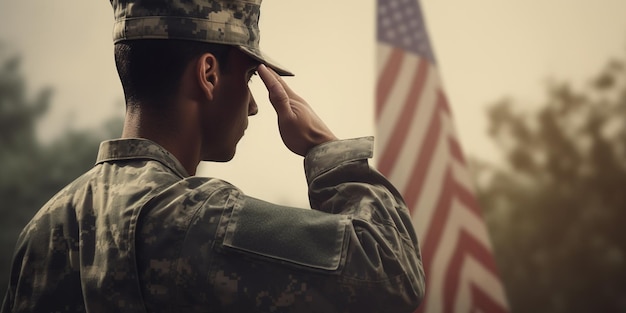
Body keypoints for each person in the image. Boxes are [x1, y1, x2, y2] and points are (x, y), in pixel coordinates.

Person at [1, 0, 425, 312]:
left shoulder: (42, 231)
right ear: (208, 74)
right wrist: (325, 150)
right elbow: (392, 272)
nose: (255, 105)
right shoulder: (196, 219)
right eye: (248, 76)